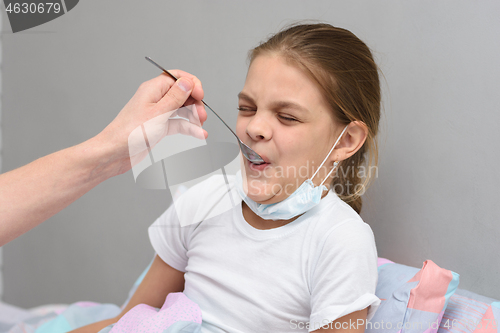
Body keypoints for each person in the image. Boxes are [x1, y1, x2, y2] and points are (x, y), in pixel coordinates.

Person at [72, 22, 381, 333]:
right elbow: (127, 322)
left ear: (346, 141)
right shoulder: (205, 200)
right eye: (247, 108)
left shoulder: (341, 241)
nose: (254, 127)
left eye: (287, 117)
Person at [0, 72, 208, 247]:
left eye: (244, 109)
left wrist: (111, 157)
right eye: (241, 109)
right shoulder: (197, 210)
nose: (243, 128)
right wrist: (109, 152)